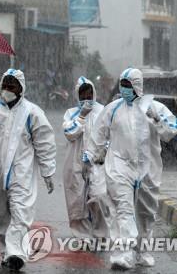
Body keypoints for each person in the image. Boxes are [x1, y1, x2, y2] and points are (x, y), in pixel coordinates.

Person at [84, 68, 177, 269]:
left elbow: (172, 129)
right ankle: (124, 253)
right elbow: (98, 134)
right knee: (124, 208)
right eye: (123, 84)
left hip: (148, 169)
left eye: (129, 85)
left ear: (138, 86)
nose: (125, 89)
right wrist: (95, 155)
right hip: (119, 166)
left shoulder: (155, 108)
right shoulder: (112, 109)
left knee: (146, 212)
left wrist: (157, 119)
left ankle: (143, 250)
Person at [0, 69, 56, 271]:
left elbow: (44, 143)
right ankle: (6, 251)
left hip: (21, 174)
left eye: (12, 86)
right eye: (5, 85)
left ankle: (16, 252)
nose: (7, 89)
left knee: (20, 213)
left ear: (21, 88)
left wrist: (48, 171)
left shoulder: (32, 112)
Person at [63, 76, 113, 240]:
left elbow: (109, 135)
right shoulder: (71, 114)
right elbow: (70, 134)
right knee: (76, 201)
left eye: (89, 94)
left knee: (99, 197)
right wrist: (82, 116)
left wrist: (103, 151)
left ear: (94, 93)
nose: (86, 98)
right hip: (75, 163)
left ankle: (101, 234)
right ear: (77, 94)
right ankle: (82, 236)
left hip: (97, 163)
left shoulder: (103, 111)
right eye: (82, 94)